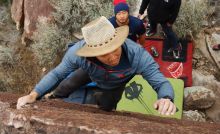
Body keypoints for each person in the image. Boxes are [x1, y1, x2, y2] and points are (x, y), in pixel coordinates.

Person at [17, 16, 176, 115]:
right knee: (66, 85)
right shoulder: (78, 53)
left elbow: (161, 82)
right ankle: (52, 97)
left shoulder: (138, 55)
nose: (112, 57)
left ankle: (100, 97)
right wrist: (33, 95)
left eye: (115, 50)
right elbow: (57, 74)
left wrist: (166, 98)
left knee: (107, 107)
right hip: (89, 72)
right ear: (91, 52)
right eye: (104, 53)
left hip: (116, 83)